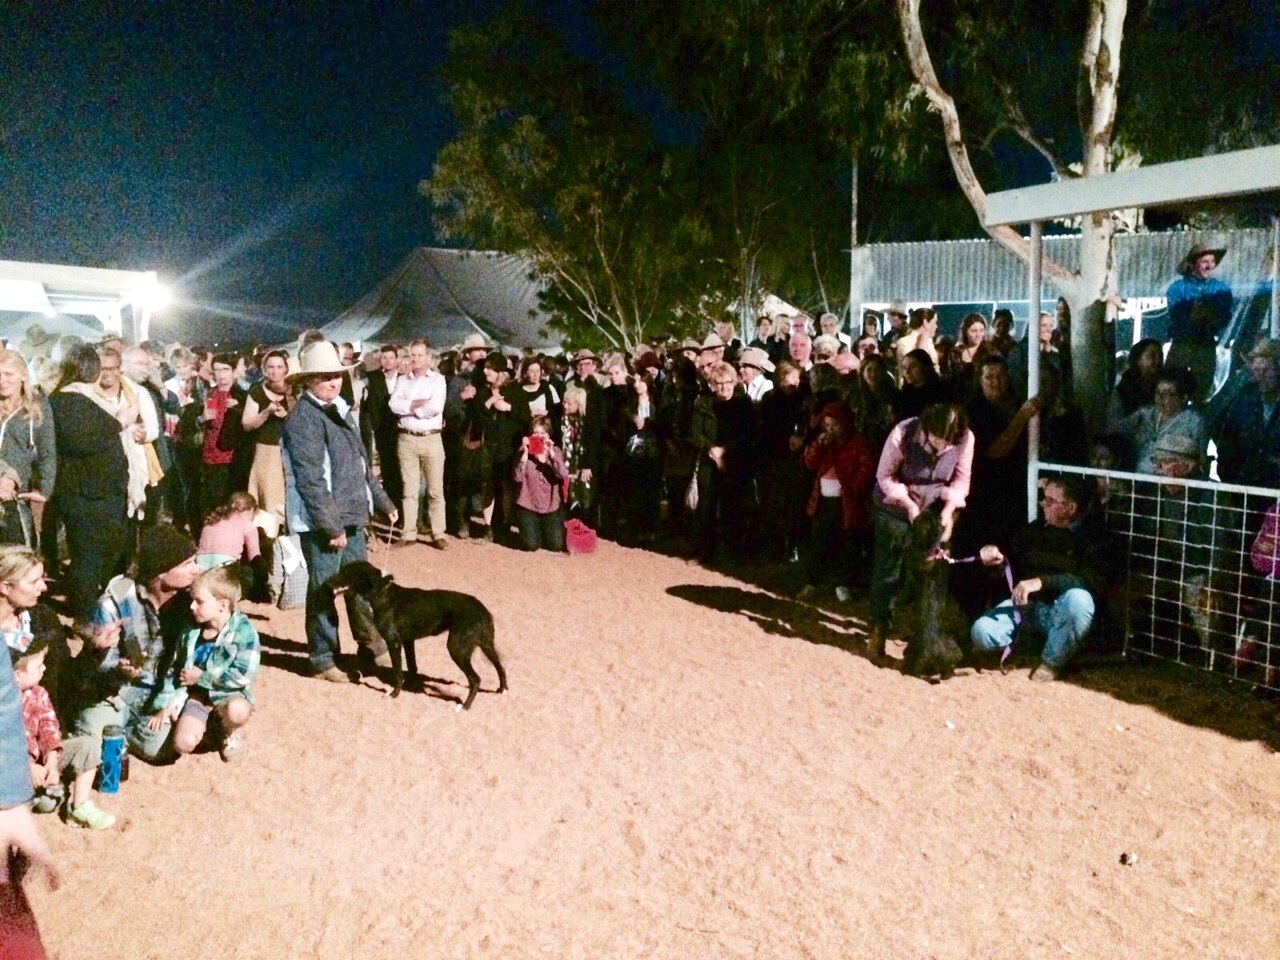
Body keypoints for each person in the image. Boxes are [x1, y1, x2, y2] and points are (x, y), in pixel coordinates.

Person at [281, 341, 397, 682]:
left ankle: (372, 646)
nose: (333, 382)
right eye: (325, 377)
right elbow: (311, 480)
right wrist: (331, 527)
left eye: (336, 376)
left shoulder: (340, 410)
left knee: (363, 586)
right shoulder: (303, 419)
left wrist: (384, 502)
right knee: (325, 590)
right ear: (308, 381)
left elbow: (361, 465)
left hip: (352, 516)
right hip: (325, 524)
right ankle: (322, 657)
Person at [970, 475, 1105, 681]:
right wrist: (996, 560)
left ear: (1070, 507)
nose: (1043, 504)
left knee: (1079, 600)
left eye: (1050, 501)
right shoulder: (1034, 530)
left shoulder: (1096, 538)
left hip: (1062, 611)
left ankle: (1051, 662)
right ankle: (1031, 647)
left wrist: (1042, 582)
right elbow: (1010, 566)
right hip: (1029, 608)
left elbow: (1091, 582)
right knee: (981, 632)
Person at [867, 403, 974, 661]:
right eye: (938, 438)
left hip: (935, 507)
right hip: (896, 505)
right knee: (889, 569)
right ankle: (879, 627)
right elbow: (884, 476)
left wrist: (948, 513)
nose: (942, 445)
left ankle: (924, 639)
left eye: (949, 440)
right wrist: (909, 506)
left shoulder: (966, 439)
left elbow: (961, 481)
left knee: (933, 574)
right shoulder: (903, 433)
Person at [50, 345, 132, 630]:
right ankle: (85, 618)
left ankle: (95, 612)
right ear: (90, 370)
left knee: (95, 556)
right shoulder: (70, 402)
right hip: (87, 496)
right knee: (88, 558)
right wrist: (118, 422)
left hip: (96, 494)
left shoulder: (73, 400)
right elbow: (83, 442)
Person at [12, 634, 112, 828]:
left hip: (39, 760)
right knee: (46, 802)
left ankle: (79, 806)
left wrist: (51, 760)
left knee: (88, 745)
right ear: (17, 673)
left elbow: (49, 729)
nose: (45, 668)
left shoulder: (39, 694)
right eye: (39, 665)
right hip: (12, 768)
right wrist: (26, 768)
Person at [167, 565, 259, 762]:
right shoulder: (190, 631)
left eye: (199, 602)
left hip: (228, 694)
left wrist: (203, 678)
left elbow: (244, 674)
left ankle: (227, 729)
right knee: (182, 743)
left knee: (237, 711)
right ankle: (208, 726)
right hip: (197, 697)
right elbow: (175, 666)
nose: (192, 606)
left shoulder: (244, 632)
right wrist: (168, 701)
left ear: (223, 605)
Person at [797, 401, 874, 602]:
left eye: (835, 425)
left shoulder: (858, 442)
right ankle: (812, 582)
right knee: (818, 542)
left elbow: (866, 470)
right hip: (823, 500)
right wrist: (817, 446)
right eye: (827, 425)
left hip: (846, 502)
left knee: (847, 544)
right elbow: (810, 464)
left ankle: (843, 583)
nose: (830, 429)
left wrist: (852, 489)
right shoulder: (824, 442)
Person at [388, 339, 448, 549]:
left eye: (419, 355)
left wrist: (410, 408)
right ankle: (408, 533)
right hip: (407, 438)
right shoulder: (402, 380)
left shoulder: (438, 380)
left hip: (431, 438)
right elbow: (393, 405)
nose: (415, 359)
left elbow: (435, 407)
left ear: (428, 357)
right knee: (409, 489)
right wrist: (415, 404)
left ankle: (438, 532)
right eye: (412, 354)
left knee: (435, 490)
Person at [0, 350, 55, 550]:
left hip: (17, 496)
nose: (2, 381)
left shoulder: (38, 406)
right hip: (3, 482)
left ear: (23, 375)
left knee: (18, 556)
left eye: (8, 374)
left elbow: (47, 449)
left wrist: (44, 488)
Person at [1208, 338, 1280, 487]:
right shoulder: (1244, 398)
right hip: (1244, 485)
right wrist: (1230, 477)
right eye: (1256, 370)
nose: (1260, 376)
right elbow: (1222, 434)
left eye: (1266, 370)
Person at [1166, 241, 1232, 402]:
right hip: (1182, 344)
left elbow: (1224, 318)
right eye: (1204, 261)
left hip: (1205, 346)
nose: (1209, 266)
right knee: (1171, 387)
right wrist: (1194, 315)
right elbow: (1176, 317)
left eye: (1212, 262)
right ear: (1195, 263)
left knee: (1201, 393)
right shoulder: (1177, 288)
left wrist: (1209, 316)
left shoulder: (1221, 289)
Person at [239, 349, 293, 524]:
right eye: (270, 367)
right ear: (264, 369)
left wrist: (287, 415)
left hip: (292, 450)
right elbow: (247, 424)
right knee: (268, 501)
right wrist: (266, 412)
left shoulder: (294, 390)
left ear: (286, 369)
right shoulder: (257, 391)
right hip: (267, 453)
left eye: (279, 367)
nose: (275, 371)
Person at [1121, 369, 1207, 474]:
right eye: (1157, 392)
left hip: (1171, 483)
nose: (1160, 398)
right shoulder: (1145, 414)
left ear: (1184, 397)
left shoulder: (1194, 422)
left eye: (1168, 393)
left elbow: (1201, 460)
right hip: (1138, 478)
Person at [198, 354, 245, 521]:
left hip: (231, 458)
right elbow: (194, 423)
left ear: (233, 372)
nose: (220, 374)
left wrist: (239, 409)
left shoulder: (241, 395)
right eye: (216, 370)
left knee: (227, 504)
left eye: (225, 369)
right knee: (209, 503)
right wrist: (202, 418)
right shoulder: (208, 394)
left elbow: (249, 427)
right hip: (208, 455)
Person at [512, 417, 569, 552]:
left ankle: (545, 530)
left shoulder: (555, 451)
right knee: (531, 545)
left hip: (550, 505)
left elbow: (563, 475)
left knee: (556, 545)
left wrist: (551, 455)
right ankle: (533, 530)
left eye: (541, 433)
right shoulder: (522, 452)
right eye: (534, 433)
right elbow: (517, 478)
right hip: (528, 503)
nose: (538, 437)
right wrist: (525, 455)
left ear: (548, 435)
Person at [359, 343, 402, 508]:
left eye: (391, 358)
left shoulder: (405, 378)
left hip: (401, 430)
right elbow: (368, 406)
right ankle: (391, 505)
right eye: (385, 358)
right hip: (382, 430)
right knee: (388, 468)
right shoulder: (373, 379)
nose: (388, 361)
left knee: (402, 468)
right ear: (380, 360)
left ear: (397, 360)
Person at [196, 492, 261, 570]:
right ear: (251, 510)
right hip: (224, 566)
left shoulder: (212, 521)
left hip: (200, 563)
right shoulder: (247, 525)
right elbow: (255, 558)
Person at [1107, 338, 1164, 426]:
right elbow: (1115, 425)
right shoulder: (1122, 391)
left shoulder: (1165, 386)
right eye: (1152, 355)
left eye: (1160, 356)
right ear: (1138, 360)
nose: (1158, 360)